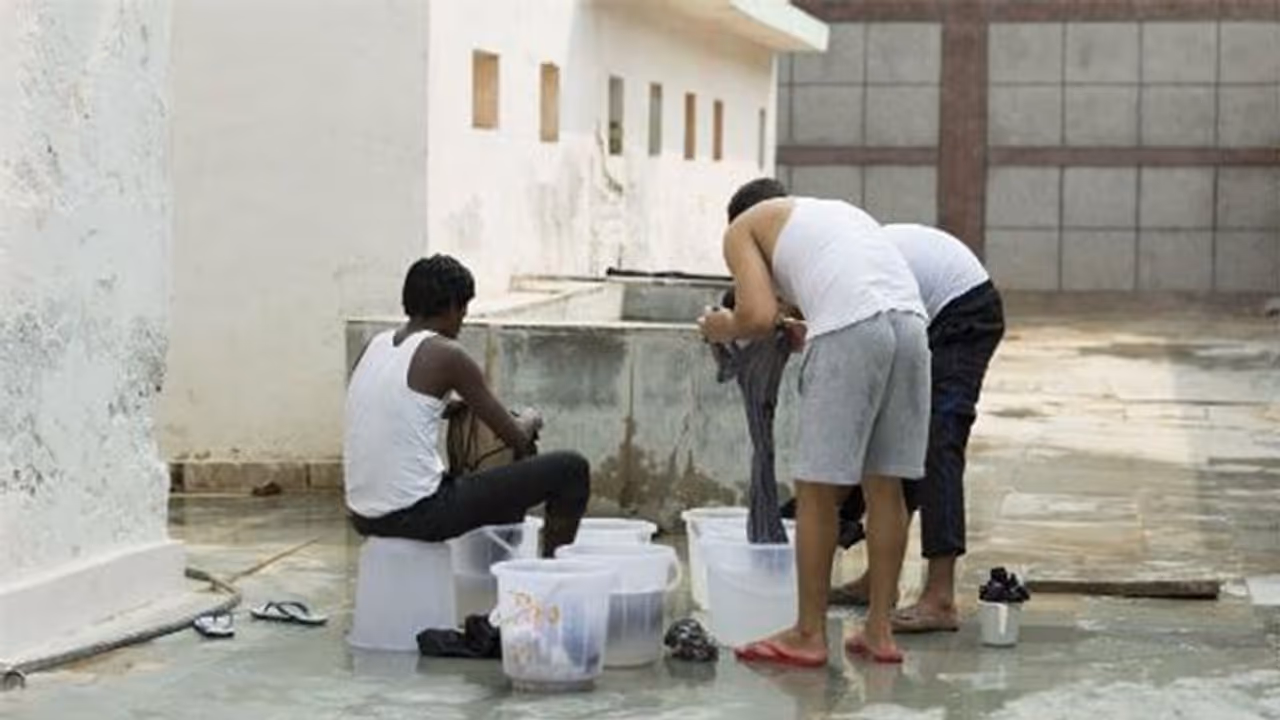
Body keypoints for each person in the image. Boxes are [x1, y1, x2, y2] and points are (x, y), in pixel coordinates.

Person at [697, 178, 930, 665]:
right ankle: (880, 632)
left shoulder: (742, 228)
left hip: (855, 327)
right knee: (885, 488)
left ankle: (807, 633)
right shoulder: (826, 211)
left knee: (818, 490)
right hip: (910, 326)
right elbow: (830, 296)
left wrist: (722, 324)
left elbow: (756, 316)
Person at [816, 223, 1005, 633]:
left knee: (938, 440)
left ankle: (940, 597)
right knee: (891, 441)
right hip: (922, 316)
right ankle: (876, 583)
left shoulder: (831, 279)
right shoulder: (821, 272)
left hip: (963, 310)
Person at [343, 254, 589, 556]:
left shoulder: (375, 345)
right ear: (450, 306)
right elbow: (517, 438)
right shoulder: (447, 353)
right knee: (571, 469)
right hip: (418, 513)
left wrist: (448, 407)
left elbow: (389, 405)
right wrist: (531, 417)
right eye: (463, 309)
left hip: (363, 515)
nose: (462, 320)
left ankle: (494, 572)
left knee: (494, 488)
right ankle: (552, 575)